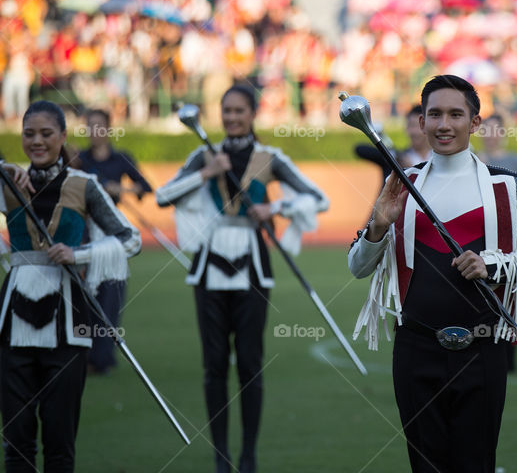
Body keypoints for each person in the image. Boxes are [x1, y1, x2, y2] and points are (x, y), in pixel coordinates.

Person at [348, 75, 517, 473]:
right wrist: (378, 226)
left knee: (475, 465)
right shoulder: (400, 185)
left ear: (475, 123)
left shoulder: (511, 187)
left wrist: (492, 264)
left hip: (483, 351)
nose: (445, 124)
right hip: (415, 350)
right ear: (422, 122)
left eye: (456, 114)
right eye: (435, 114)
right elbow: (358, 267)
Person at [156, 85, 329, 473]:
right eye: (226, 111)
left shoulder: (271, 158)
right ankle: (221, 455)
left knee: (250, 363)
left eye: (239, 111)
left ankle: (248, 455)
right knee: (214, 364)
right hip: (209, 266)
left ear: (252, 113)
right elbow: (163, 197)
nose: (232, 118)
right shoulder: (204, 154)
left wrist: (274, 207)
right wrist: (207, 173)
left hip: (253, 267)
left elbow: (318, 198)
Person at [0, 100, 141, 473]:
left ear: (63, 137)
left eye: (47, 134)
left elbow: (131, 240)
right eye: (29, 134)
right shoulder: (8, 181)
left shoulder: (84, 185)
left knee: (60, 446)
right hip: (12, 325)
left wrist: (80, 254)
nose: (37, 141)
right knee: (16, 444)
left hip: (69, 328)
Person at [77, 108, 153, 375]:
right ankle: (82, 354)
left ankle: (103, 357)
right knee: (84, 295)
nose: (95, 131)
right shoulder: (79, 159)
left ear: (109, 129)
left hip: (111, 233)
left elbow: (145, 187)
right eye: (90, 126)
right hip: (84, 232)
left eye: (100, 126)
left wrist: (120, 189)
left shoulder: (121, 159)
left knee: (111, 295)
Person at [477, 112, 517, 372]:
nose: (490, 136)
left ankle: (510, 352)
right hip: (483, 240)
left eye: (495, 130)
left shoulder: (515, 160)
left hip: (511, 240)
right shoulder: (473, 159)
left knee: (510, 295)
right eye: (485, 130)